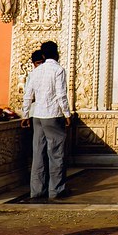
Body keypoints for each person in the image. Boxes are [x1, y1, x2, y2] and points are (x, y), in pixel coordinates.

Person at [21, 40, 72, 201]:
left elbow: (28, 94)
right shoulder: (58, 70)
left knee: (38, 153)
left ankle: (36, 191)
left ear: (43, 55)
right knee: (56, 153)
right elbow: (61, 94)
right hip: (53, 115)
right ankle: (56, 190)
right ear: (57, 53)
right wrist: (67, 114)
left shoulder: (35, 71)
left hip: (37, 116)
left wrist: (25, 114)